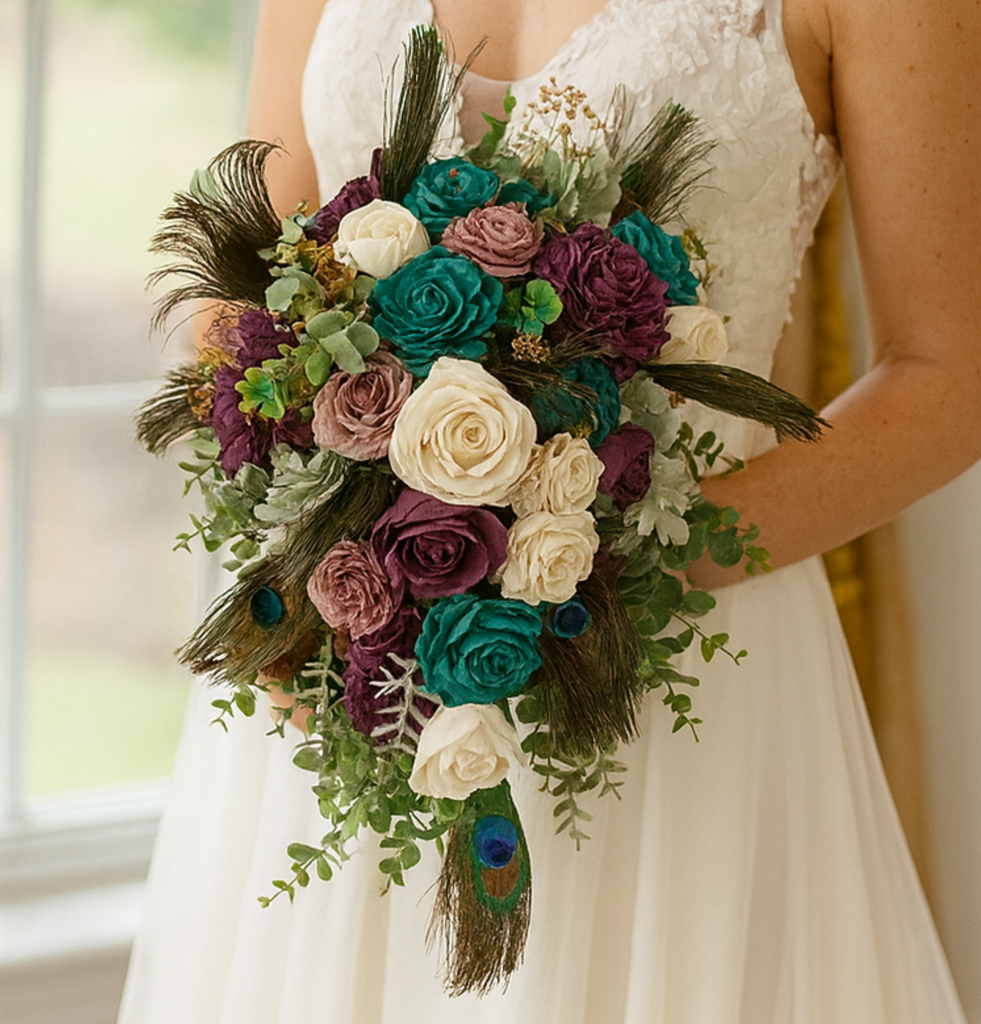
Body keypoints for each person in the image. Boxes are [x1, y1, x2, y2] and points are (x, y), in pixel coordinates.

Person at [119, 0, 980, 1021]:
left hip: (676, 672)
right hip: (360, 657)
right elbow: (244, 279)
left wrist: (597, 554)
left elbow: (950, 373)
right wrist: (325, 533)